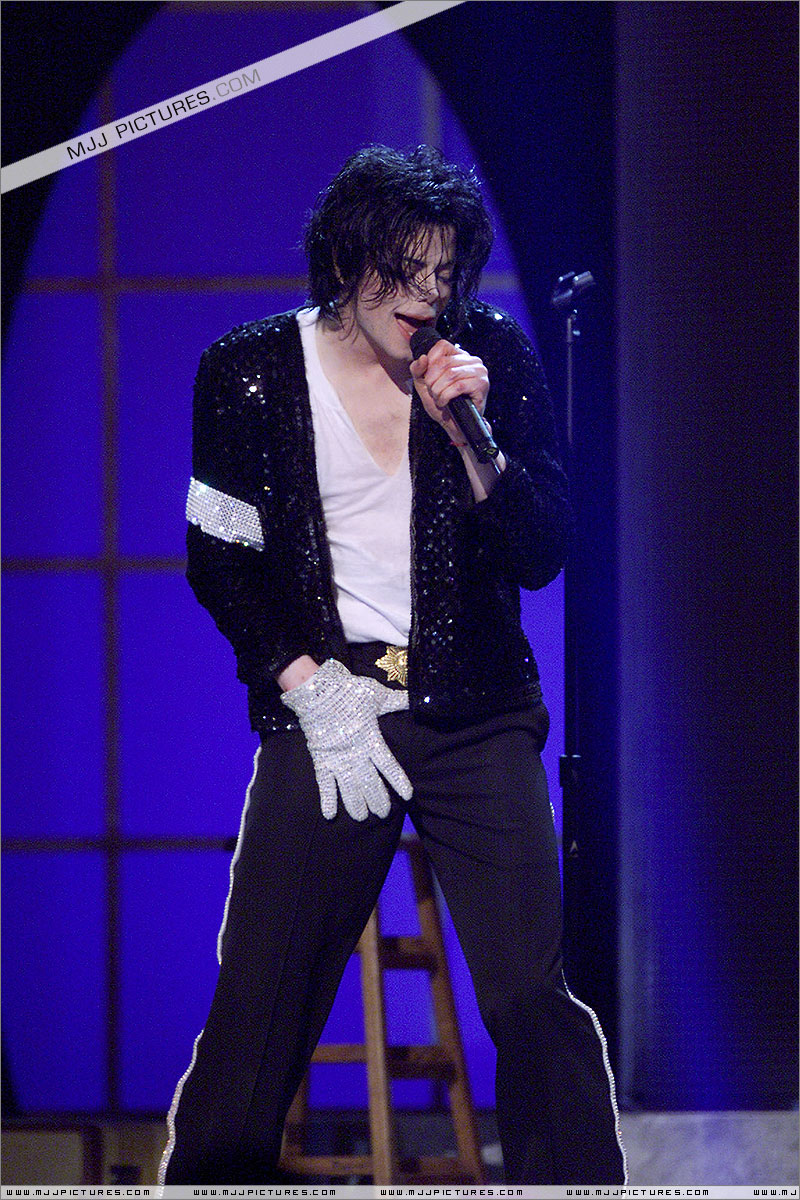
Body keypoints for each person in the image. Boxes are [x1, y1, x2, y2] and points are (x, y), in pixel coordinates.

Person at [158, 144, 627, 1186]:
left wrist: (473, 438)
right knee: (263, 1000)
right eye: (402, 271)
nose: (426, 296)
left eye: (444, 273)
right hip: (329, 706)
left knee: (529, 995)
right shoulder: (246, 371)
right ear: (345, 262)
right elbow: (218, 560)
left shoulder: (488, 356)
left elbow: (541, 551)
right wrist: (305, 684)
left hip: (476, 711)